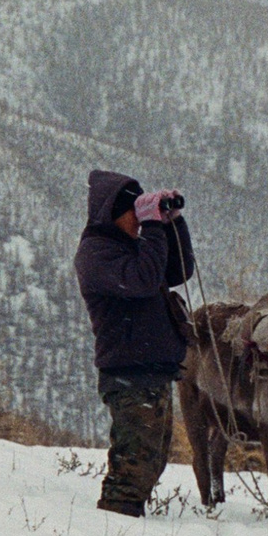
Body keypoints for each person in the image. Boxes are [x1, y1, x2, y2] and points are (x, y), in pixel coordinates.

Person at [74, 170, 195, 516]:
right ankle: (114, 529)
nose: (139, 222)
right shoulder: (95, 254)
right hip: (129, 375)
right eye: (134, 212)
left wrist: (172, 222)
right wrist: (154, 227)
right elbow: (143, 281)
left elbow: (178, 270)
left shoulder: (130, 249)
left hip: (151, 372)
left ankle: (124, 523)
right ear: (114, 211)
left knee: (151, 463)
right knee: (132, 470)